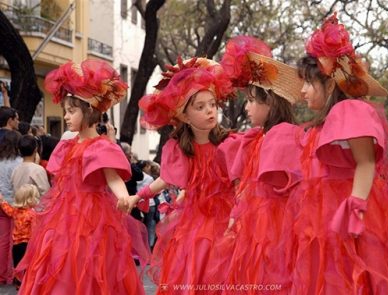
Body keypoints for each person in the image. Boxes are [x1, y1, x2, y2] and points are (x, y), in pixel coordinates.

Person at [284, 13, 388, 294]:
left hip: (353, 208)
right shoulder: (322, 125)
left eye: (308, 83)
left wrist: (355, 204)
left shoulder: (349, 110)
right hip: (326, 212)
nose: (303, 91)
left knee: (360, 273)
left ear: (330, 84)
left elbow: (366, 162)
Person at [15, 59, 150, 294]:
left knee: (91, 263)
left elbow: (113, 177)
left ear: (89, 110)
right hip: (64, 216)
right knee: (60, 264)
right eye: (65, 111)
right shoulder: (66, 145)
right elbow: (60, 180)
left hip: (94, 217)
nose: (66, 116)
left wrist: (124, 197)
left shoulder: (101, 147)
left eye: (72, 110)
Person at [204, 36, 303, 292]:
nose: (247, 107)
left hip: (277, 228)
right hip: (256, 225)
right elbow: (247, 186)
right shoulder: (258, 138)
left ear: (269, 101)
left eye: (251, 100)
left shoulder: (284, 136)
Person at [132, 57, 238, 290]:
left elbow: (241, 182)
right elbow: (165, 179)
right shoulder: (180, 149)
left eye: (212, 104)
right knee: (192, 272)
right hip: (195, 222)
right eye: (200, 107)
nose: (210, 111)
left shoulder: (230, 144)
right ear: (184, 116)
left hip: (227, 221)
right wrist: (138, 196)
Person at [0, 184, 39, 289]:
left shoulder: (16, 212)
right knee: (27, 265)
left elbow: (7, 210)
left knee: (17, 265)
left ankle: (18, 284)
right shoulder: (32, 214)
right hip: (27, 245)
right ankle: (27, 285)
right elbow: (34, 231)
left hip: (16, 245)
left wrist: (2, 200)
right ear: (31, 199)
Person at [0, 129, 21, 285]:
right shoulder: (19, 162)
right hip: (13, 204)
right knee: (13, 240)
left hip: (0, 202)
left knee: (2, 240)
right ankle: (11, 274)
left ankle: (1, 274)